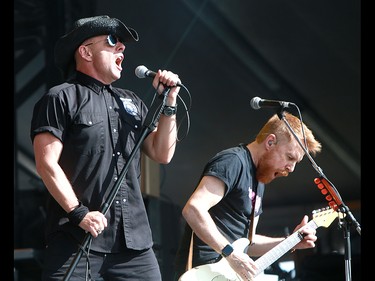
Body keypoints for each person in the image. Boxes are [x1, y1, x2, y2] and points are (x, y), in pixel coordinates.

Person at [30, 15, 181, 281]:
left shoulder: (131, 101)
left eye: (122, 43)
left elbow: (162, 153)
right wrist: (79, 213)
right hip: (76, 239)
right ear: (85, 51)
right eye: (112, 41)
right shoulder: (61, 97)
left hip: (134, 244)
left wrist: (169, 103)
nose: (121, 47)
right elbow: (46, 163)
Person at [174, 111, 322, 281]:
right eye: (290, 157)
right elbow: (193, 209)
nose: (291, 168)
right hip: (203, 272)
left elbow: (247, 243)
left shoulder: (259, 179)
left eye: (296, 162)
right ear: (270, 142)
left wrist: (290, 242)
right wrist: (230, 254)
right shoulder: (232, 161)